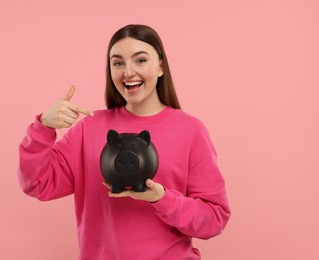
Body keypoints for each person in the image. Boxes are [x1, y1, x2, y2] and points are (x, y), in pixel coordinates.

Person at [18, 24, 231, 259]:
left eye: (140, 60)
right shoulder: (90, 127)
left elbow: (214, 219)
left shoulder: (191, 130)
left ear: (160, 66)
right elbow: (37, 184)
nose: (128, 72)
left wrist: (162, 199)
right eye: (118, 63)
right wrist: (43, 127)